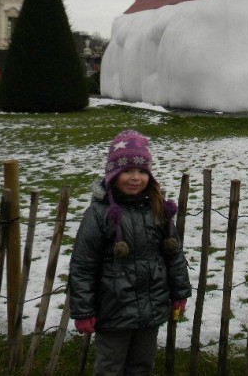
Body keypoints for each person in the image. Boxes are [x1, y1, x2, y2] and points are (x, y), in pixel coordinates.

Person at [69, 130, 191, 375]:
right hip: (113, 309)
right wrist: (83, 310)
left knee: (142, 366)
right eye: (128, 170)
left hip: (151, 306)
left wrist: (179, 292)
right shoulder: (100, 213)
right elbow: (83, 265)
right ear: (114, 173)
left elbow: (173, 254)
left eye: (142, 171)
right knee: (110, 367)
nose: (136, 178)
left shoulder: (158, 210)